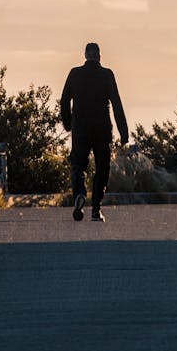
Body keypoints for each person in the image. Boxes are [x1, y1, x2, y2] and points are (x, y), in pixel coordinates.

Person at [60, 41, 128, 222]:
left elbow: (64, 100)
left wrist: (68, 124)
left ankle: (79, 195)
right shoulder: (107, 75)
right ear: (99, 56)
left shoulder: (75, 74)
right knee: (102, 169)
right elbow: (117, 104)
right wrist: (124, 133)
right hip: (102, 129)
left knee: (78, 166)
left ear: (85, 56)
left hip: (80, 129)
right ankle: (96, 209)